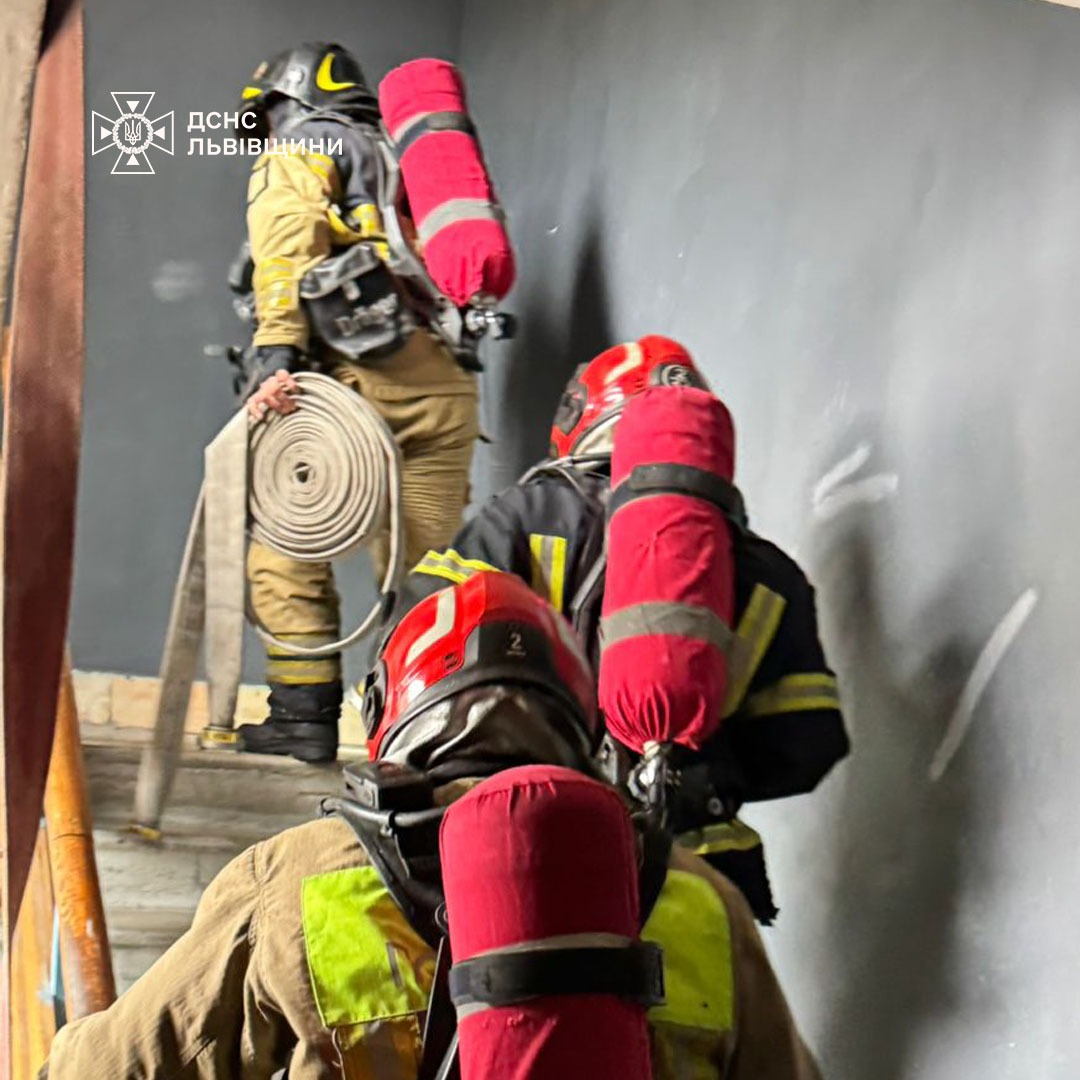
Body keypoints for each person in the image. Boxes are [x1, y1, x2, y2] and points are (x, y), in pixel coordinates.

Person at [44, 572, 821, 1079]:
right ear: (580, 723)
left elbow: (123, 1066)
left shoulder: (301, 877)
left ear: (391, 710)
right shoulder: (702, 901)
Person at [397, 334, 850, 922]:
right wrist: (695, 771)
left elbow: (424, 642)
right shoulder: (771, 574)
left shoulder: (524, 516)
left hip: (535, 845)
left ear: (582, 416)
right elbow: (808, 743)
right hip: (701, 876)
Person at [234, 42, 480, 763]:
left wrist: (276, 354)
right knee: (426, 573)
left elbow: (286, 248)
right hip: (445, 388)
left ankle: (302, 716)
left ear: (286, 101)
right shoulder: (408, 156)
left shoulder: (302, 146)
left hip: (354, 389)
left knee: (284, 550)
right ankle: (420, 736)